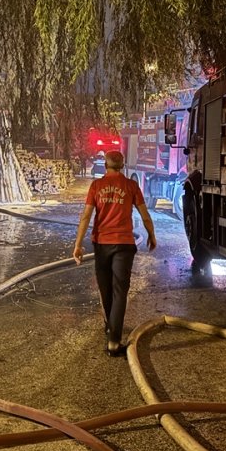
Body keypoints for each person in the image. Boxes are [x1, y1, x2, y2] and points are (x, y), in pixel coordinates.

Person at [72, 150, 157, 356]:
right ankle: (114, 340)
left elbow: (85, 217)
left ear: (105, 165)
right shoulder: (131, 186)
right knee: (120, 291)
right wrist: (151, 234)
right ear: (123, 165)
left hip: (101, 244)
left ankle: (110, 327)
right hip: (124, 245)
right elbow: (144, 215)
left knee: (106, 289)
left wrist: (78, 245)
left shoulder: (96, 186)